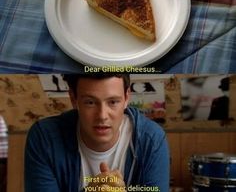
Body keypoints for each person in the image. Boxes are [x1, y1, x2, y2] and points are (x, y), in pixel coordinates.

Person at [24, 74, 170, 192]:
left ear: (126, 98)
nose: (102, 115)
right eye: (90, 102)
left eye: (113, 102)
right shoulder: (44, 138)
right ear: (74, 99)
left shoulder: (152, 140)